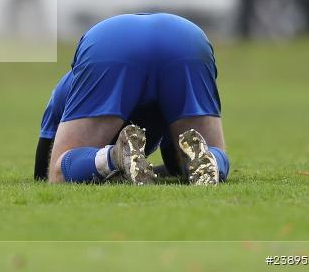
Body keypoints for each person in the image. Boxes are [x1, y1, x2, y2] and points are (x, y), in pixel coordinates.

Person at [33, 13, 230, 185]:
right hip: (186, 39)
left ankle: (114, 157)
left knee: (58, 172)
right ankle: (212, 158)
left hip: (109, 43)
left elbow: (43, 171)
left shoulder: (64, 92)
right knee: (203, 152)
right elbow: (175, 161)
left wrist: (109, 169)